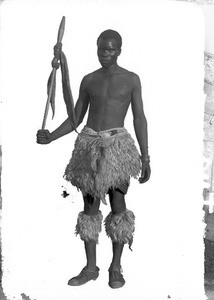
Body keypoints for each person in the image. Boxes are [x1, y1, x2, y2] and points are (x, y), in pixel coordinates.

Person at [37, 29, 151, 289]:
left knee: (118, 205)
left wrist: (145, 156)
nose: (105, 54)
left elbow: (139, 117)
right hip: (88, 147)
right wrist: (51, 136)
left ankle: (115, 267)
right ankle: (90, 268)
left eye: (111, 49)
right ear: (96, 48)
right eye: (102, 49)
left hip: (117, 149)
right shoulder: (89, 80)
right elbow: (77, 116)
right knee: (90, 209)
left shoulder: (131, 79)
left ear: (119, 50)